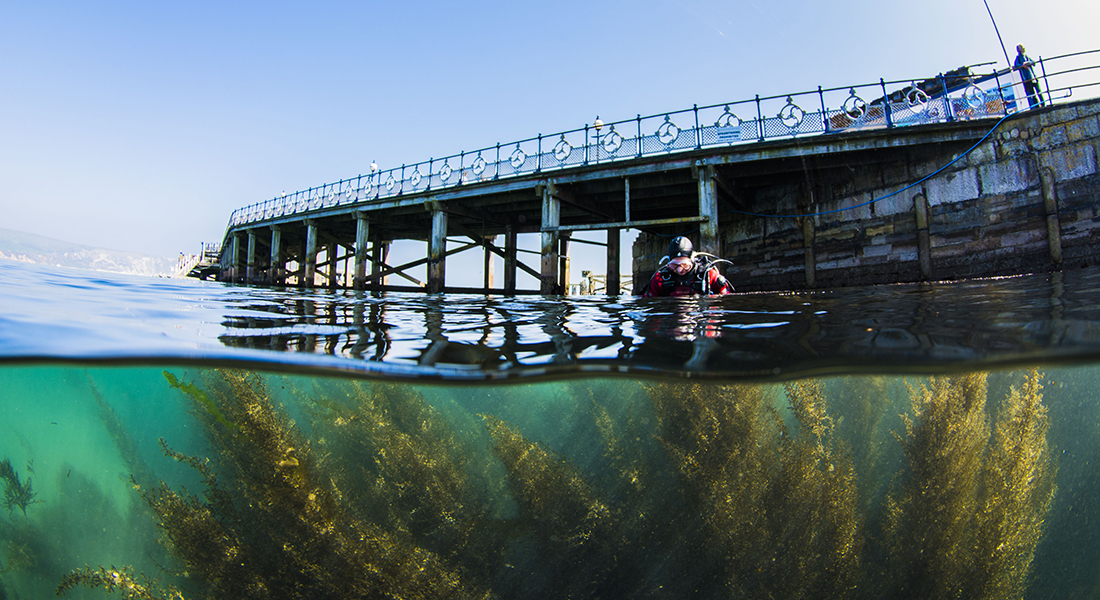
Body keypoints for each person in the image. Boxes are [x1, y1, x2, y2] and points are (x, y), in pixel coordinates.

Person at [642, 236, 734, 297]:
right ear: (668, 262)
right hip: (670, 321)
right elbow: (648, 303)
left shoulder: (708, 275)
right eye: (674, 265)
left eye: (685, 265)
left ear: (692, 260)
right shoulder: (660, 279)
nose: (679, 270)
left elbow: (726, 300)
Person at [1014, 44, 1044, 109]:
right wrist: (1022, 65)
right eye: (1021, 47)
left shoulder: (1026, 56)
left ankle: (1043, 103)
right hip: (1027, 78)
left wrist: (1027, 62)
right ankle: (1036, 106)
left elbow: (1033, 62)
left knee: (1039, 92)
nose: (1023, 48)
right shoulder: (1018, 57)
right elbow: (1016, 65)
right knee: (1032, 94)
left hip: (1033, 77)